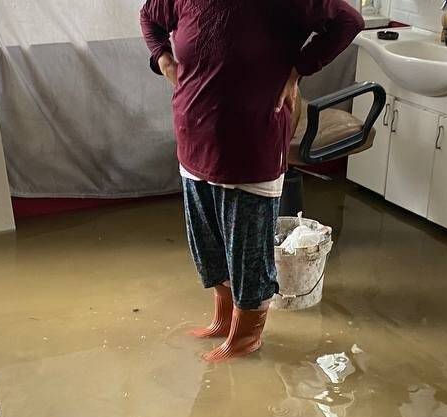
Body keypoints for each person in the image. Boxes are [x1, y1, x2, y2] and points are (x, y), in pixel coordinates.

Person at [140, 0, 363, 362]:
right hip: (194, 136)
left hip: (252, 142)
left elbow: (348, 21)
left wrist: (297, 70)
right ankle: (224, 317)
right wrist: (164, 60)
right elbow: (149, 17)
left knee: (247, 248)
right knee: (207, 239)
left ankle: (246, 336)